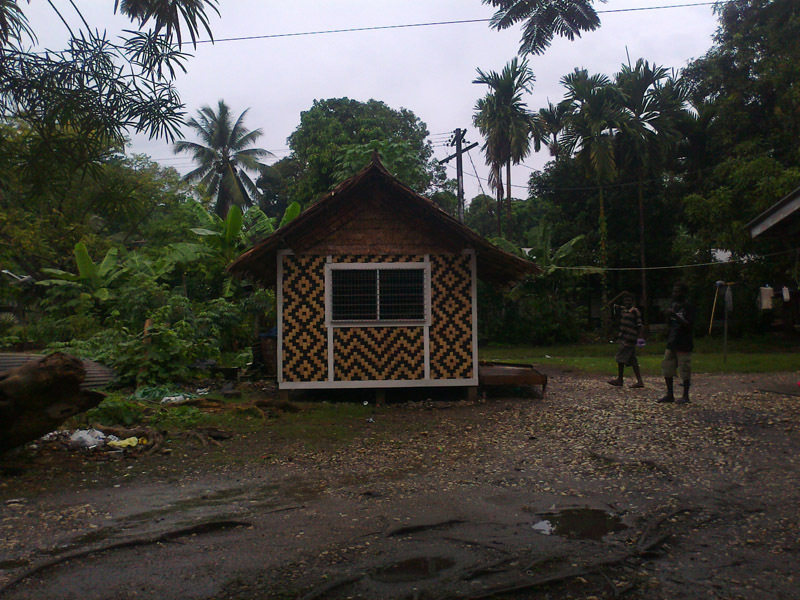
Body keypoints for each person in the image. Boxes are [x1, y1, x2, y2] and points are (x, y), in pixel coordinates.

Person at [658, 282, 695, 404]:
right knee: (667, 367)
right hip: (672, 340)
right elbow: (670, 323)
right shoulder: (673, 305)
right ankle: (670, 394)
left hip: (684, 342)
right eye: (673, 291)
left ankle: (685, 395)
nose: (674, 294)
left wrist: (675, 315)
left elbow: (689, 325)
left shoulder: (688, 306)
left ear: (683, 293)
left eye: (677, 291)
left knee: (684, 368)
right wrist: (668, 316)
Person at [608, 292, 645, 388]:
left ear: (632, 302)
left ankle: (620, 379)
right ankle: (640, 381)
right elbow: (610, 304)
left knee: (620, 358)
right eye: (625, 300)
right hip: (623, 337)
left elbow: (640, 326)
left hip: (629, 338)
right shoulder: (622, 310)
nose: (627, 302)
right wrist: (620, 295)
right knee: (633, 360)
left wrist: (640, 339)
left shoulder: (635, 311)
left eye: (629, 300)